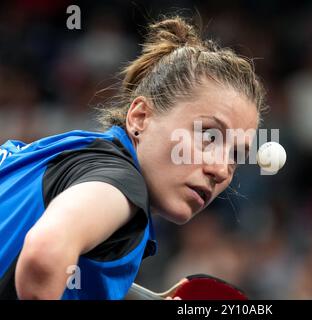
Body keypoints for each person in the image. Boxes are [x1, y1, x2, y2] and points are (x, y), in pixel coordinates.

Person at [0, 16, 266, 300]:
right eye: (210, 136)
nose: (222, 170)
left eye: (236, 155)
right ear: (140, 117)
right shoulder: (123, 186)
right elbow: (45, 255)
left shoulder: (48, 155)